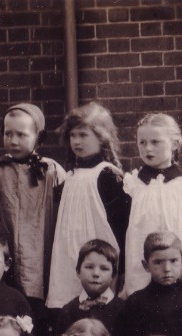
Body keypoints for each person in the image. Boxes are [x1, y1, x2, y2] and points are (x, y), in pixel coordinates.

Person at [0, 103, 64, 320]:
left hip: (37, 259)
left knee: (35, 319)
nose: (13, 140)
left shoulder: (51, 172)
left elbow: (66, 210)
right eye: (8, 134)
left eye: (21, 134)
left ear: (38, 136)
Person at [46, 102, 129, 309]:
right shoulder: (70, 178)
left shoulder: (107, 175)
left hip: (100, 252)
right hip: (71, 252)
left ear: (101, 137)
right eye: (73, 136)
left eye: (83, 135)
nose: (77, 141)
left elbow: (122, 224)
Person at [121, 112, 182, 296]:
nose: (148, 149)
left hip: (181, 263)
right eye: (142, 142)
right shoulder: (132, 184)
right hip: (141, 262)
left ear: (174, 144)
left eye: (155, 142)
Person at [51, 239, 125, 336]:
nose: (96, 273)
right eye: (89, 267)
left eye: (104, 268)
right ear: (78, 271)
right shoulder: (68, 311)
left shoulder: (123, 310)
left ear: (113, 275)